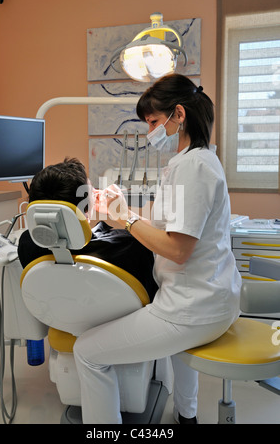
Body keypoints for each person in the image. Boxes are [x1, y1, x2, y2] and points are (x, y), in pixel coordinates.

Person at [73, 74, 242, 424]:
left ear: (178, 114)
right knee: (176, 350)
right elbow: (167, 224)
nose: (151, 131)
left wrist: (126, 222)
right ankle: (187, 417)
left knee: (87, 351)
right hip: (210, 298)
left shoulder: (194, 167)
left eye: (153, 122)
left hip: (192, 308)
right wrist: (124, 211)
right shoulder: (191, 161)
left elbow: (178, 250)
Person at [18, 157, 158, 301]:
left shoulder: (27, 244)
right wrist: (121, 213)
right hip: (121, 320)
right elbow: (157, 238)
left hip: (61, 319)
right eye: (91, 191)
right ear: (85, 212)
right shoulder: (131, 245)